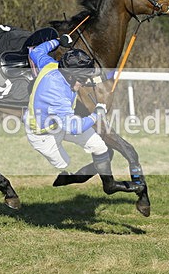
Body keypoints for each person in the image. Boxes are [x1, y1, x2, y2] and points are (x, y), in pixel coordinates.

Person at [24, 36, 143, 195]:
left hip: (60, 122)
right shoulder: (57, 94)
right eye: (82, 79)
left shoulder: (51, 65)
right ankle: (67, 174)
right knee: (66, 165)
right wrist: (96, 115)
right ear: (70, 76)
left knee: (99, 146)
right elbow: (74, 127)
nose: (85, 82)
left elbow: (36, 52)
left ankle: (110, 185)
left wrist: (58, 41)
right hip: (43, 134)